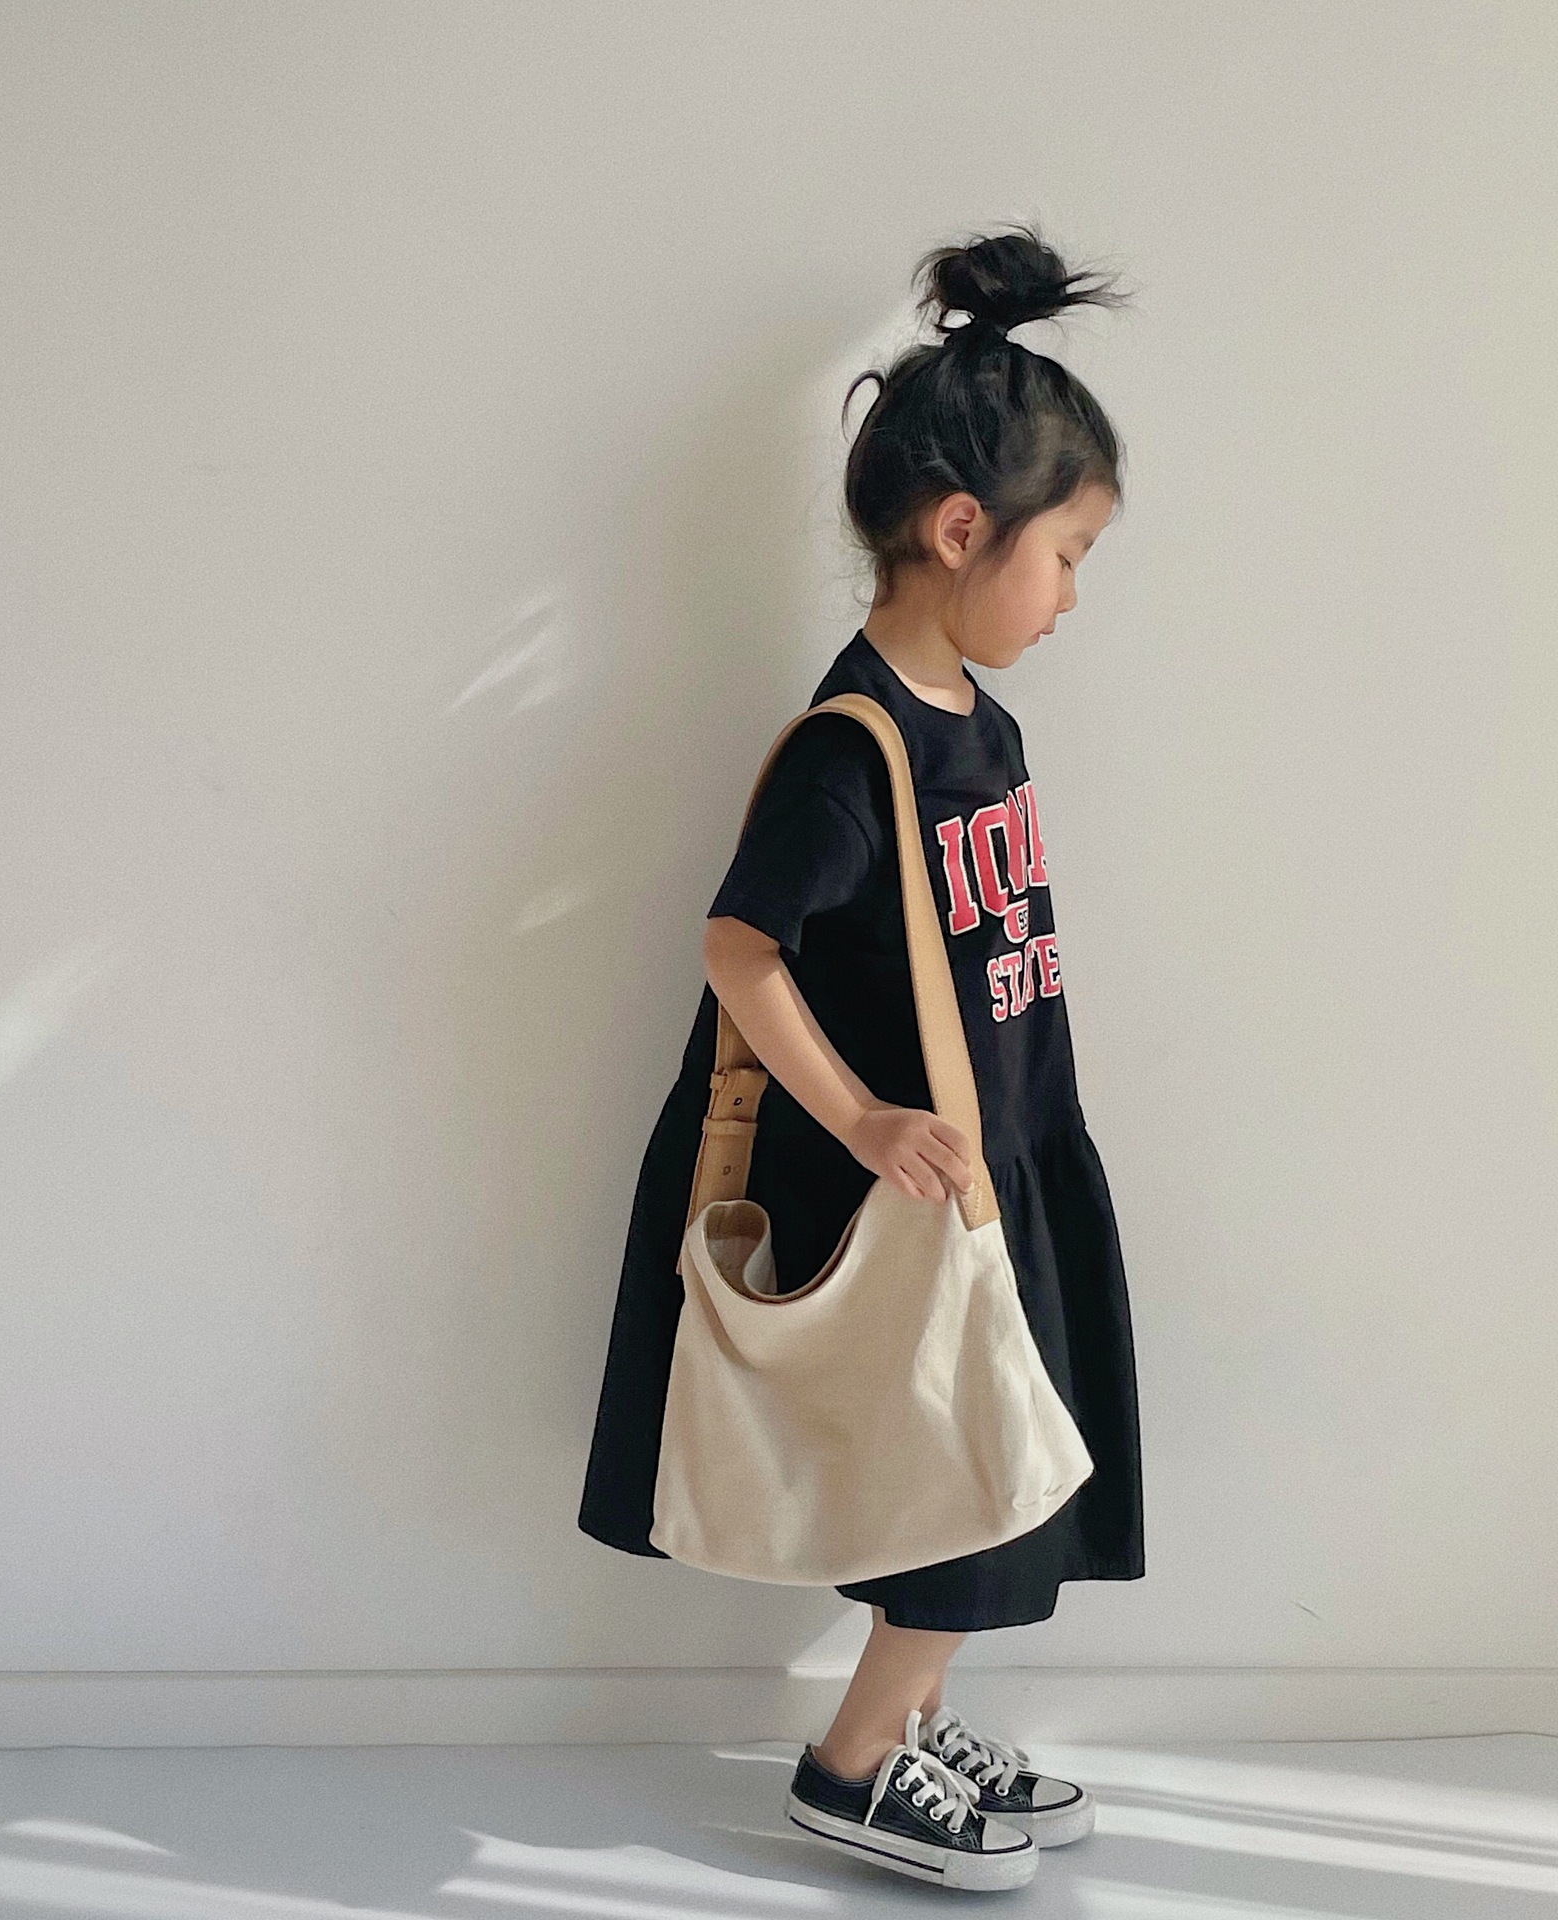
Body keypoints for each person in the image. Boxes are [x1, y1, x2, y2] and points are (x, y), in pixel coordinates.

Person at [576, 224, 1146, 1894]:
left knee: (987, 1466)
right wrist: (865, 1120)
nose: (1072, 594)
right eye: (1067, 554)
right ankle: (849, 1764)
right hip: (907, 1174)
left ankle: (912, 1722)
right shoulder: (856, 748)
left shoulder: (981, 722)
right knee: (973, 1486)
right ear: (963, 530)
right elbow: (737, 947)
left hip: (1003, 1146)